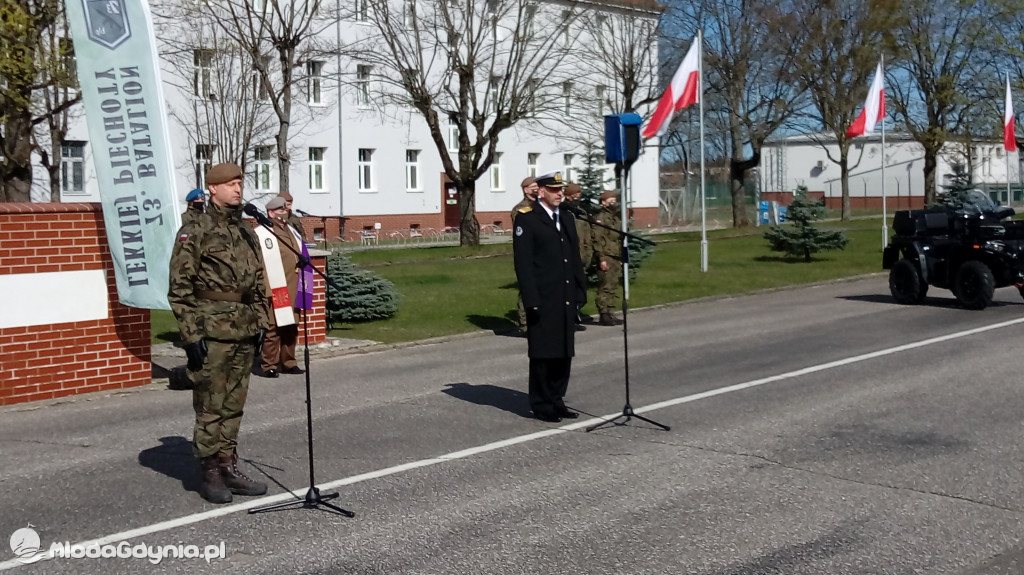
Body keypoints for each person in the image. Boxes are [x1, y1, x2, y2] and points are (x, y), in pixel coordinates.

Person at [168, 162, 272, 504]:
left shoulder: (246, 231)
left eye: (240, 183)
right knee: (210, 406)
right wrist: (191, 334)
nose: (238, 189)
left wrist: (261, 322)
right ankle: (210, 470)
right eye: (230, 184)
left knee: (234, 404)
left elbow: (258, 283)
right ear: (212, 188)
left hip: (243, 328)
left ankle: (229, 465)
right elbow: (180, 288)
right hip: (211, 331)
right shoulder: (195, 230)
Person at [512, 172, 587, 423]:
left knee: (564, 352)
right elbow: (523, 265)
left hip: (564, 295)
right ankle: (541, 404)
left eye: (561, 190)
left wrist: (579, 289)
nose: (560, 194)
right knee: (544, 353)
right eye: (554, 190)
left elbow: (573, 257)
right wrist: (532, 300)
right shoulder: (528, 220)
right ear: (541, 191)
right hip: (543, 297)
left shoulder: (566, 217)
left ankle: (557, 399)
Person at [257, 196, 306, 378]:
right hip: (276, 286)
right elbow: (260, 262)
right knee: (274, 327)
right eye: (280, 210)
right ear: (271, 213)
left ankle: (288, 362)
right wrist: (266, 288)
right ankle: (268, 364)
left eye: (285, 210)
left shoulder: (291, 230)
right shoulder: (263, 233)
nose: (284, 213)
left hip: (293, 285)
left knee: (291, 326)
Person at [563, 182, 593, 330]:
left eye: (579, 193)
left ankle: (576, 314)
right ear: (567, 196)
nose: (577, 196)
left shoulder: (581, 212)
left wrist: (589, 253)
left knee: (580, 290)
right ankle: (569, 320)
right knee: (568, 291)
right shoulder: (564, 212)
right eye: (574, 194)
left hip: (583, 256)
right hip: (570, 257)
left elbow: (587, 234)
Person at [511, 176, 539, 336]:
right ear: (526, 189)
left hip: (541, 256)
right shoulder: (520, 209)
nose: (536, 189)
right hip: (527, 255)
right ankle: (524, 324)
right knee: (526, 289)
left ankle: (536, 321)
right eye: (533, 186)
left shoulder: (540, 206)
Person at [593, 190, 624, 326]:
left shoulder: (615, 217)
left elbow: (618, 239)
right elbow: (597, 239)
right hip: (606, 255)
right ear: (603, 202)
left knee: (613, 285)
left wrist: (621, 256)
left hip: (616, 255)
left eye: (614, 199)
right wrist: (601, 258)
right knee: (605, 285)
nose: (613, 202)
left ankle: (611, 312)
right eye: (610, 200)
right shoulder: (601, 218)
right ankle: (603, 313)